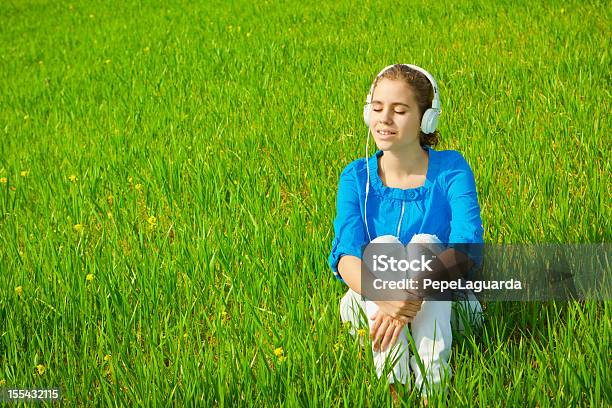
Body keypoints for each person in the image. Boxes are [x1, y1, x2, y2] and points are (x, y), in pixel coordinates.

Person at [328, 64, 485, 403]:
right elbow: (346, 255)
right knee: (384, 247)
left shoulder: (452, 169)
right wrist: (386, 297)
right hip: (372, 297)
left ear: (426, 119)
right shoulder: (355, 177)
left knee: (426, 246)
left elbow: (466, 246)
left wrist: (410, 293)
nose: (384, 118)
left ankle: (433, 387)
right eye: (377, 107)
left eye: (399, 110)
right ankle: (394, 388)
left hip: (441, 300)